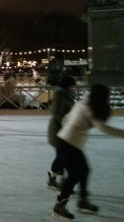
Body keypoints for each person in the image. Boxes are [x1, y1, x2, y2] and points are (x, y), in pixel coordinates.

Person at [52, 84, 124, 220]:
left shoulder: (83, 102)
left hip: (69, 141)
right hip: (68, 143)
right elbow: (103, 128)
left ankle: (82, 200)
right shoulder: (88, 108)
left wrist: (69, 128)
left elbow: (66, 118)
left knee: (84, 171)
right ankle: (60, 204)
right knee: (75, 175)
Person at [46, 76, 76, 190]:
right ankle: (57, 179)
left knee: (63, 156)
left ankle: (56, 178)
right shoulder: (59, 96)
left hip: (65, 130)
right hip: (58, 131)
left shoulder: (67, 95)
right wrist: (66, 121)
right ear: (68, 86)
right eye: (73, 85)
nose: (74, 88)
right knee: (63, 156)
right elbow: (56, 111)